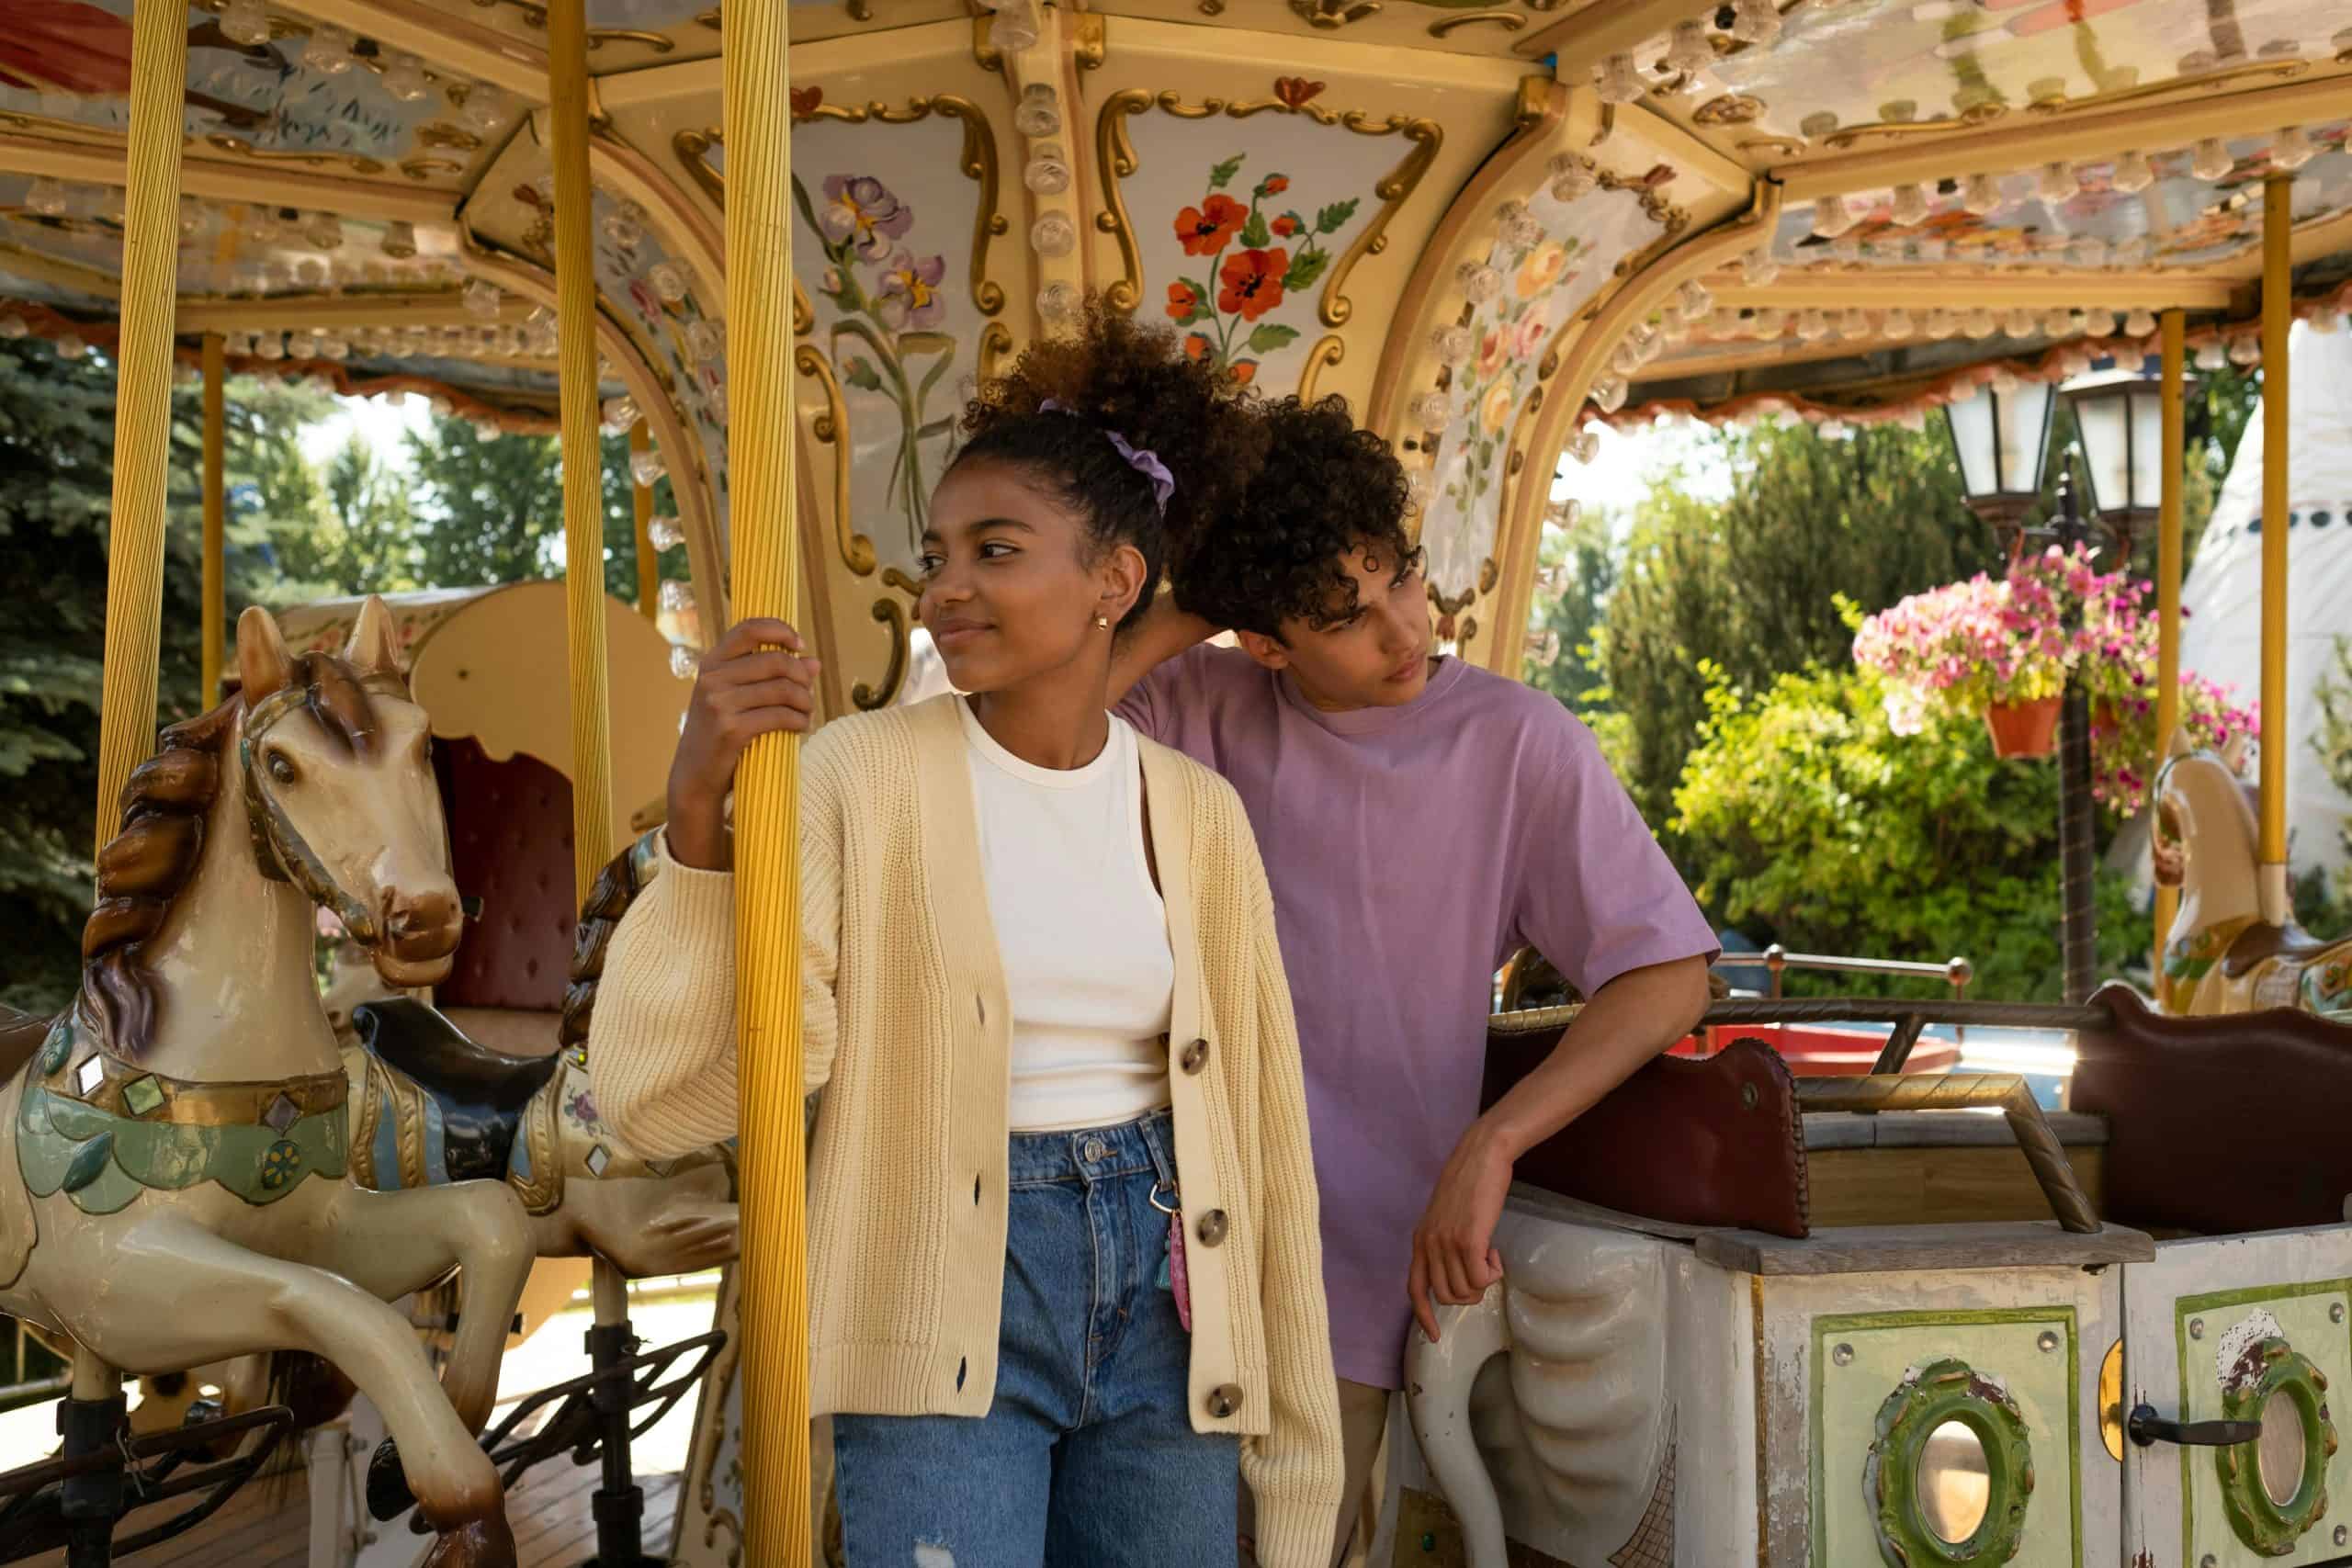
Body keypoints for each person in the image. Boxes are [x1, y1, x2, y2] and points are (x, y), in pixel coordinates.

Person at [588, 303, 1343, 1568]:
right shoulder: (858, 774)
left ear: (1115, 579)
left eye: (997, 550)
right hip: (942, 1284)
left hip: (1168, 1285)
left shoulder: (1199, 815)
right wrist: (697, 814)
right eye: (938, 553)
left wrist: (1303, 1466)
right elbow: (664, 1095)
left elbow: (1265, 1140)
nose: (945, 586)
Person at [1110, 393, 1717, 1564]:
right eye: (1344, 615)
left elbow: (1667, 973)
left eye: (1399, 577)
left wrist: (1490, 1143)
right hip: (1153, 1259)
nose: (1406, 628)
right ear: (1264, 640)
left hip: (1358, 1271)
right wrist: (1205, 601)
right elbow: (1032, 732)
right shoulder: (1198, 706)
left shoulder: (1518, 741)